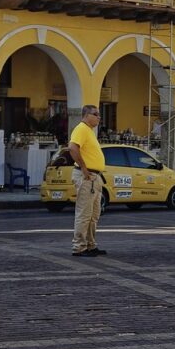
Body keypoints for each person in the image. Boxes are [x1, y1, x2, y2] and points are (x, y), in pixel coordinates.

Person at [67, 105, 107, 256]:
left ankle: (90, 244)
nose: (99, 117)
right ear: (86, 115)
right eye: (95, 114)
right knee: (84, 214)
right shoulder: (81, 129)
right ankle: (79, 247)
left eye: (99, 114)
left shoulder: (89, 131)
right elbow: (72, 147)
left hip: (94, 177)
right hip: (87, 176)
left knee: (93, 214)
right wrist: (84, 168)